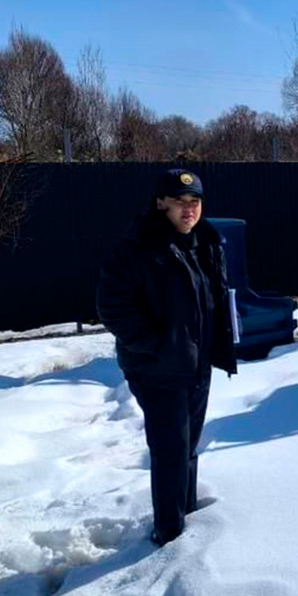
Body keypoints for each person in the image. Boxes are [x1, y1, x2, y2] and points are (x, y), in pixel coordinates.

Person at [96, 168, 237, 546]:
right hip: (158, 370)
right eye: (179, 202)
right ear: (161, 204)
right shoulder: (137, 249)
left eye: (195, 202)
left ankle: (187, 519)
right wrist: (156, 346)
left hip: (196, 366)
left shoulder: (205, 242)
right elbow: (113, 307)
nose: (189, 209)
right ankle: (170, 535)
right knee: (171, 451)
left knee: (187, 447)